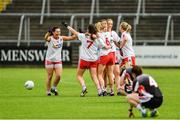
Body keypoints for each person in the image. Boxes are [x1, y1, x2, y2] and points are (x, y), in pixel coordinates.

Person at [62, 22, 110, 96]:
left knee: (79, 75)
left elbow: (74, 31)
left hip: (84, 59)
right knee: (94, 76)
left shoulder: (83, 36)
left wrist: (67, 26)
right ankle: (99, 90)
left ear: (88, 30)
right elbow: (105, 47)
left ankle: (84, 87)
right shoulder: (98, 38)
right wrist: (110, 46)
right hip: (93, 60)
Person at [44, 26, 76, 96]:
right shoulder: (50, 38)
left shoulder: (61, 38)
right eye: (57, 31)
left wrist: (77, 33)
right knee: (49, 76)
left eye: (59, 31)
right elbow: (46, 38)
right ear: (53, 32)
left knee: (58, 75)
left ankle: (53, 87)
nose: (58, 33)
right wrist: (48, 33)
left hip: (58, 60)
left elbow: (72, 37)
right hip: (49, 60)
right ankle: (48, 91)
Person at [107, 18, 122, 95]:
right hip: (106, 55)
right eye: (109, 24)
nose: (110, 25)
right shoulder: (103, 33)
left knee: (117, 72)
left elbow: (118, 42)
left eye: (111, 24)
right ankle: (108, 89)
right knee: (107, 74)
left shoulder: (113, 33)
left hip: (114, 55)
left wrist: (121, 47)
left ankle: (119, 89)